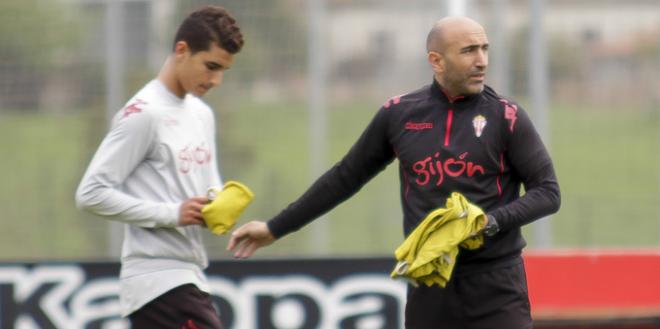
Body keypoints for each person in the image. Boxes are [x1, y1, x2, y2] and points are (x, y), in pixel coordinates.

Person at [227, 16, 560, 328]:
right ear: (436, 60)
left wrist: (489, 222)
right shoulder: (398, 114)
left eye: (485, 48)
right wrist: (275, 227)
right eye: (469, 50)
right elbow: (345, 177)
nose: (482, 61)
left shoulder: (507, 116)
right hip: (429, 285)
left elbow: (548, 192)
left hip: (496, 286)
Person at [75, 5, 243, 328]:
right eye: (210, 66)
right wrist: (172, 213)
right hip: (158, 281)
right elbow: (90, 193)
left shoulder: (201, 114)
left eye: (223, 70)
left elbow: (209, 187)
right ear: (182, 50)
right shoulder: (143, 114)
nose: (217, 80)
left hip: (190, 275)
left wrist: (220, 204)